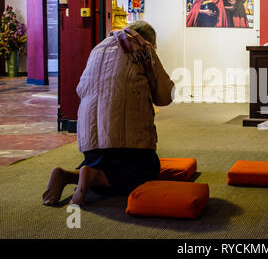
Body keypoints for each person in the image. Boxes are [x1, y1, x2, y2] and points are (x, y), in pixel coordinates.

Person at [42, 21, 175, 206]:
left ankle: (67, 175)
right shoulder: (142, 47)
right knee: (147, 172)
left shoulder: (99, 48)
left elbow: (81, 88)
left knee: (100, 162)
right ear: (150, 40)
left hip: (90, 144)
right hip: (127, 144)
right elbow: (164, 96)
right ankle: (92, 177)